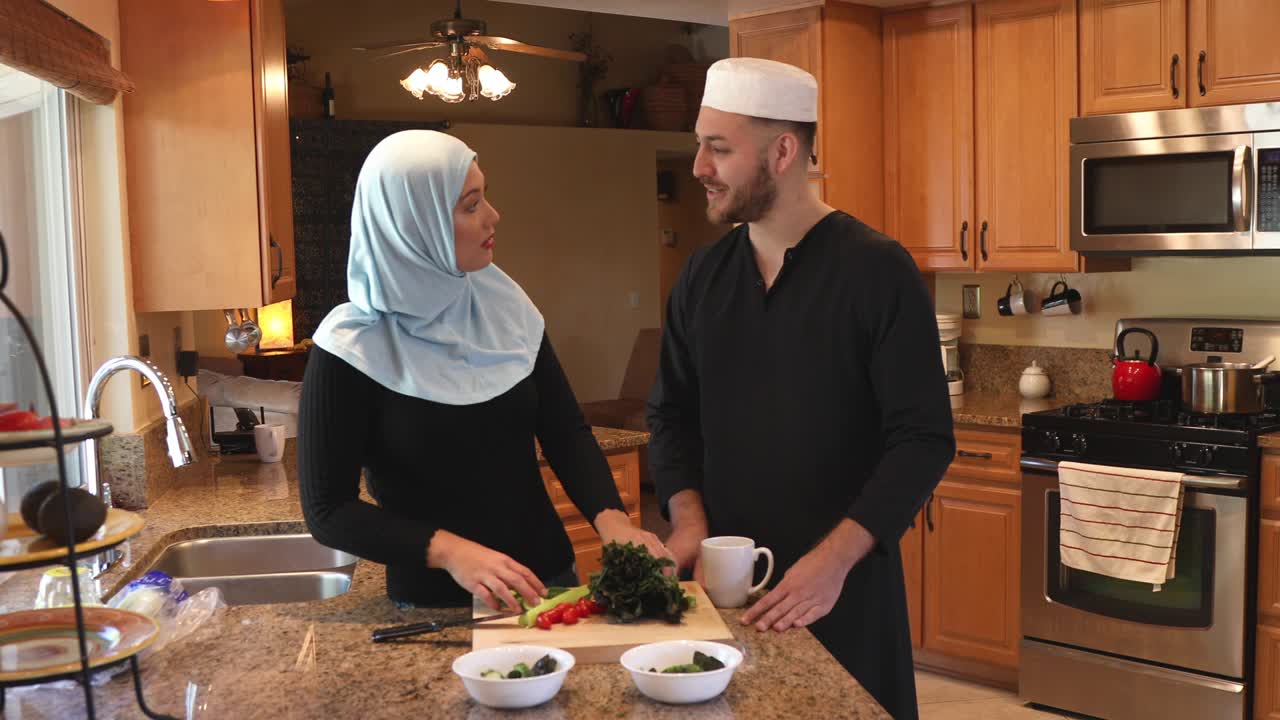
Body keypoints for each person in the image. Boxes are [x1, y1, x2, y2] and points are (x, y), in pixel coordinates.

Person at [646, 57, 955, 719]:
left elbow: (923, 438)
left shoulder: (877, 270)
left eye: (719, 148)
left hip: (843, 589)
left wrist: (834, 561)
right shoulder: (703, 277)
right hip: (723, 591)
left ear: (783, 151)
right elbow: (670, 416)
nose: (699, 164)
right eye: (701, 143)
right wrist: (691, 524)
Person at [299, 130, 669, 612]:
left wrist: (614, 521)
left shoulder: (505, 306)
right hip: (437, 605)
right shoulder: (350, 347)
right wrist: (452, 553)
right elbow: (329, 511)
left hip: (546, 581)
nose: (493, 216)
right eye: (470, 204)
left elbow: (565, 431)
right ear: (415, 223)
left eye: (483, 196)